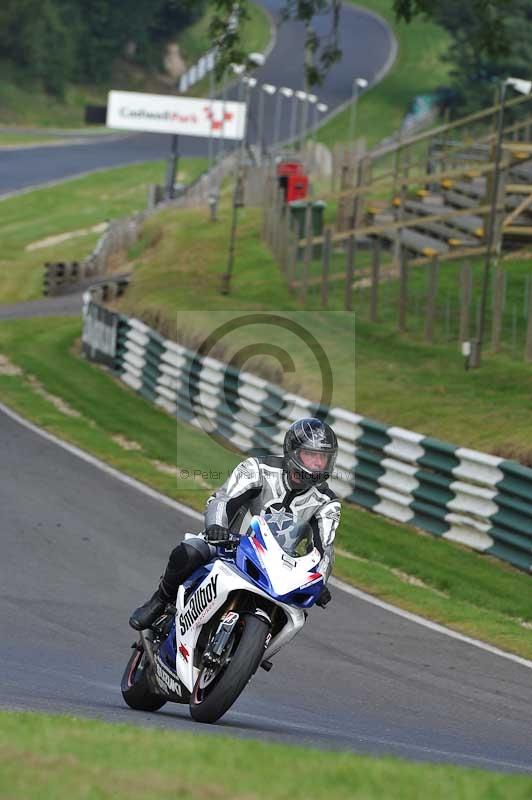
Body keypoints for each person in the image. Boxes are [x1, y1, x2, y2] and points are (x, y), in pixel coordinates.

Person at [130, 417, 341, 630]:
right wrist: (216, 527)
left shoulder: (327, 502)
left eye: (322, 458)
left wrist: (320, 581)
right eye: (311, 454)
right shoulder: (258, 469)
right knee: (189, 552)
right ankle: (159, 601)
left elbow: (325, 546)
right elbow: (224, 499)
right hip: (229, 545)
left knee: (296, 611)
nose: (317, 464)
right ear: (293, 451)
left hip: (278, 568)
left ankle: (255, 647)